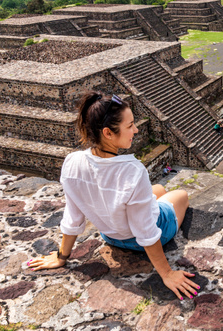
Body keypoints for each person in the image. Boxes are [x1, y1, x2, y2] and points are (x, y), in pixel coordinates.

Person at [27, 92, 199, 300]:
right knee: (180, 194)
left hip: (112, 236)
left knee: (159, 191)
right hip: (148, 236)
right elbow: (146, 232)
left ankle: (157, 201)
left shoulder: (72, 162)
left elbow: (73, 217)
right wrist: (167, 274)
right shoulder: (132, 170)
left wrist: (62, 257)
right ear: (108, 133)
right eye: (130, 126)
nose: (135, 130)